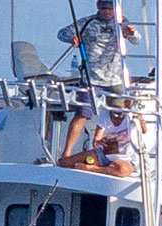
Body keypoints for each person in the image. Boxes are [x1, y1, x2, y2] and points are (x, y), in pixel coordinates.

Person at [57, 0, 141, 159]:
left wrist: (131, 33)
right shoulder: (88, 22)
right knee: (82, 114)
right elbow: (61, 33)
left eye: (110, 8)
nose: (107, 12)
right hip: (91, 78)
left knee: (117, 117)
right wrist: (72, 38)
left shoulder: (122, 22)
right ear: (98, 8)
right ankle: (66, 153)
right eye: (103, 8)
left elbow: (137, 40)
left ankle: (113, 154)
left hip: (114, 78)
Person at [59, 97, 137, 177]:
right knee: (64, 162)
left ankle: (92, 169)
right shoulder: (105, 114)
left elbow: (144, 130)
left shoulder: (132, 116)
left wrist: (139, 118)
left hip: (124, 159)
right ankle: (106, 169)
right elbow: (96, 141)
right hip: (103, 154)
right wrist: (100, 142)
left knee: (122, 170)